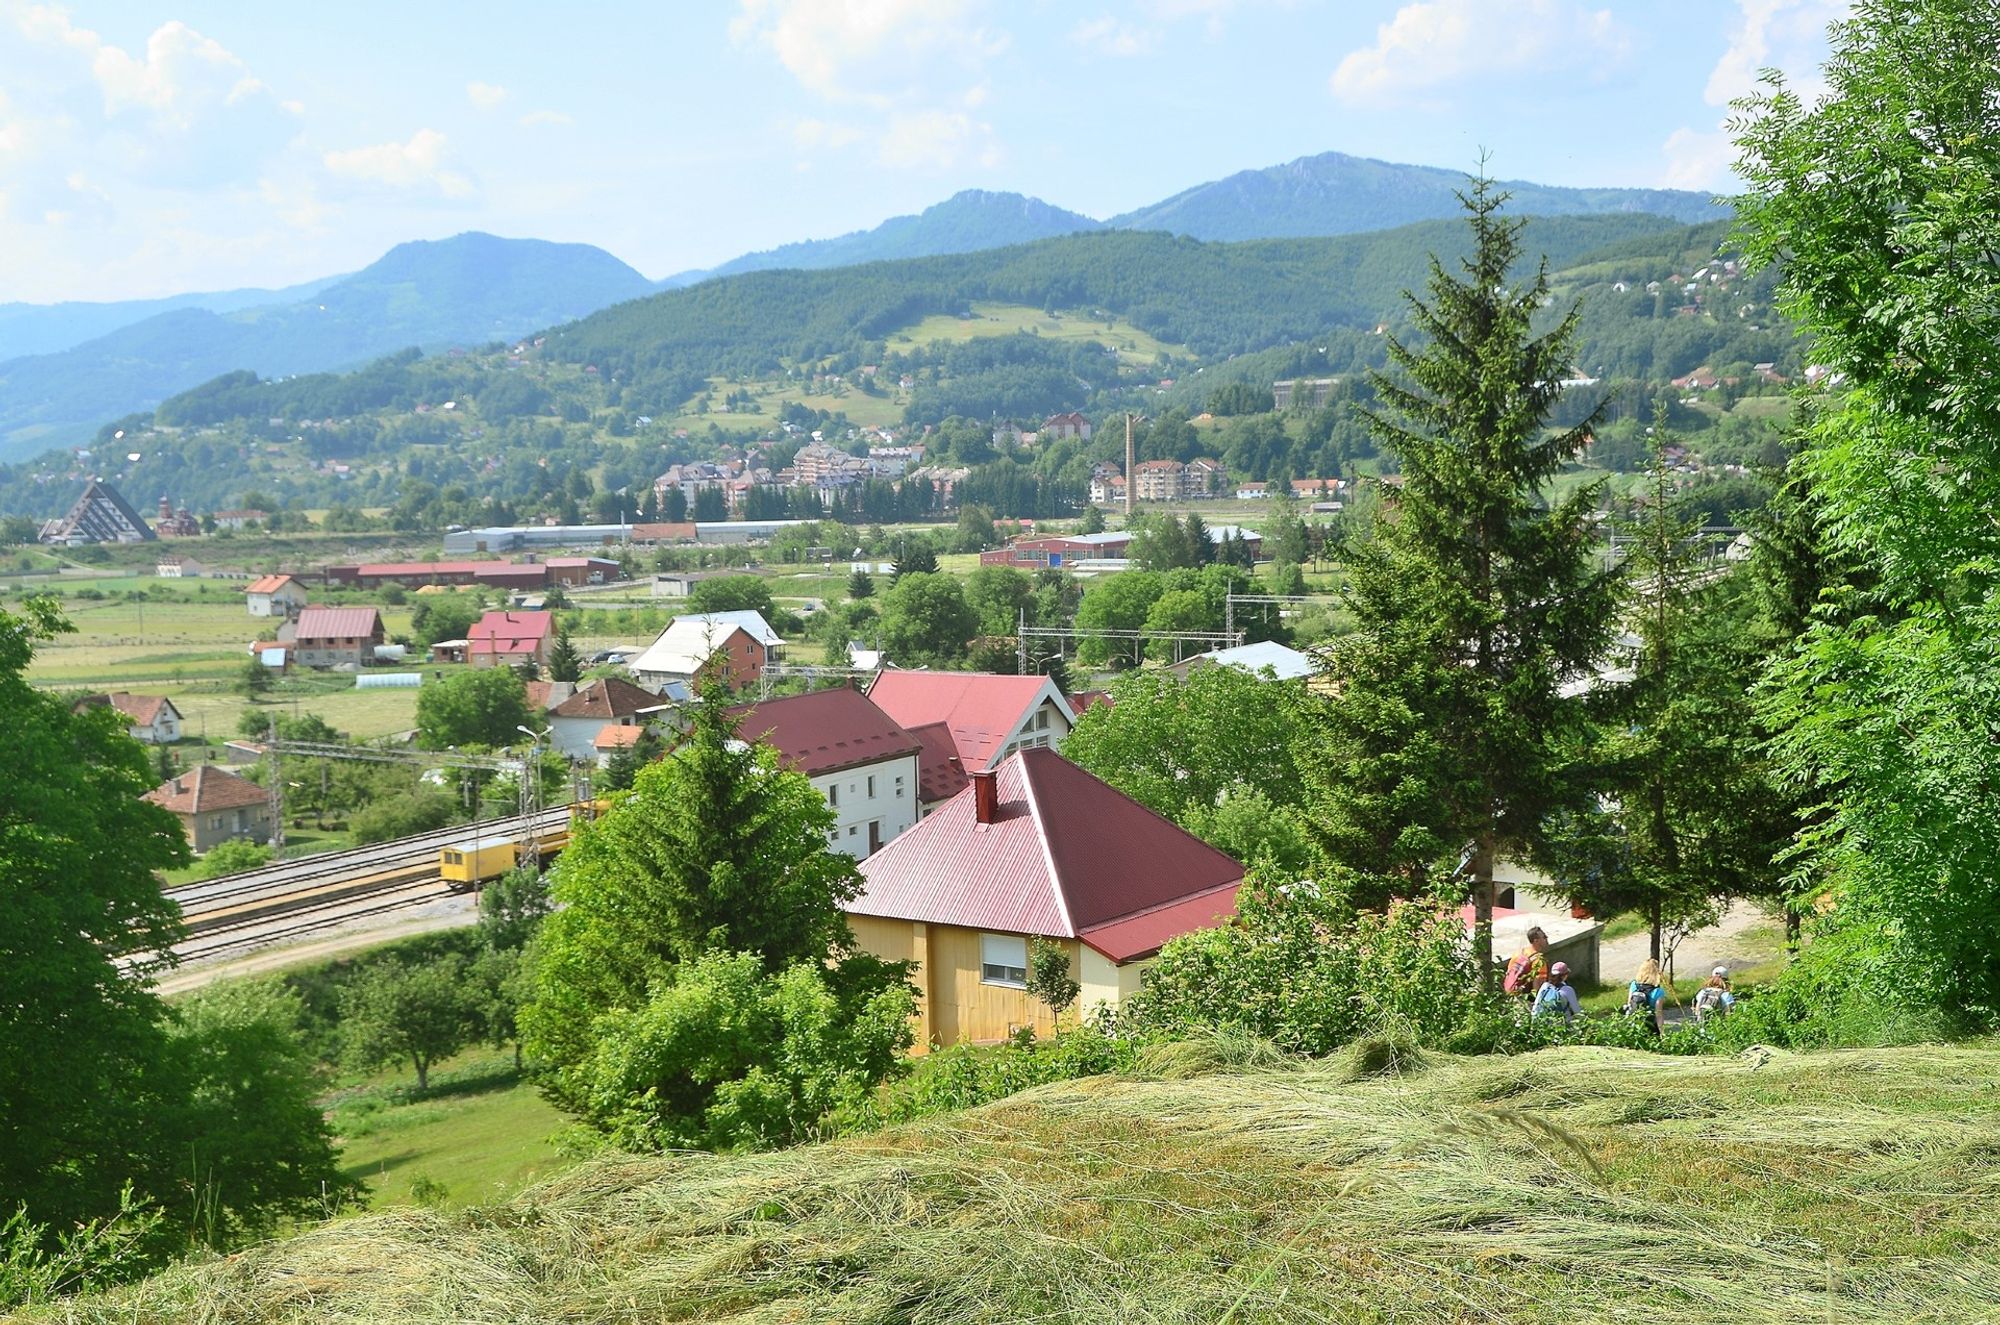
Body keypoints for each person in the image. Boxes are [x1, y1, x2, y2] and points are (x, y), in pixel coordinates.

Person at [1624, 957, 1669, 1033]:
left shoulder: (1634, 984)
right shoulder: (1658, 991)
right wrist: (1662, 1033)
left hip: (1635, 1023)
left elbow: (1629, 1004)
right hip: (1650, 1025)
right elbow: (1659, 1015)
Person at [1502, 926, 1550, 996]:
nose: (1547, 938)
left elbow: (1509, 972)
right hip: (1524, 997)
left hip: (1511, 993)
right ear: (1536, 941)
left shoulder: (1519, 953)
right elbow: (1538, 985)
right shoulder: (1539, 960)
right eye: (1544, 937)